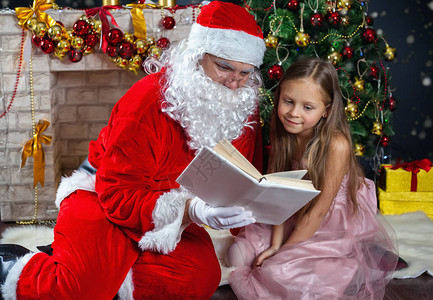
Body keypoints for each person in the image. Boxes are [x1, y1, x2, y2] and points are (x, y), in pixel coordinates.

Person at [0, 2, 266, 299]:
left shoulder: (241, 105)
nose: (234, 83)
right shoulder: (146, 102)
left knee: (198, 277)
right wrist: (191, 209)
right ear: (197, 56)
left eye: (245, 72)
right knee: (79, 289)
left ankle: (95, 266)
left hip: (166, 215)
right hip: (102, 198)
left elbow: (242, 172)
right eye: (225, 67)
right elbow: (115, 194)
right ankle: (12, 266)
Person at [225, 57, 403, 299]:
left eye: (307, 107)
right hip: (291, 211)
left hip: (326, 221)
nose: (293, 113)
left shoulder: (336, 145)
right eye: (288, 101)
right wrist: (276, 243)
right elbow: (280, 194)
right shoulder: (284, 132)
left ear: (325, 111)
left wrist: (284, 253)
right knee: (236, 255)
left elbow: (318, 212)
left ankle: (348, 266)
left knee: (280, 271)